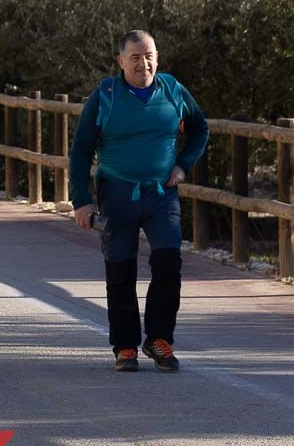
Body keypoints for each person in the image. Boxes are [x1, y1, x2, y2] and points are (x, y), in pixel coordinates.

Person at [68, 29, 208, 373]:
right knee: (121, 269)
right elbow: (81, 148)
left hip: (162, 195)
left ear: (157, 58)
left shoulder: (173, 90)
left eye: (149, 56)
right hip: (118, 193)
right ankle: (126, 345)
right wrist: (81, 201)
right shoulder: (106, 96)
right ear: (121, 61)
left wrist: (183, 165)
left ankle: (160, 340)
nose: (143, 63)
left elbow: (200, 129)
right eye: (135, 57)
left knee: (168, 264)